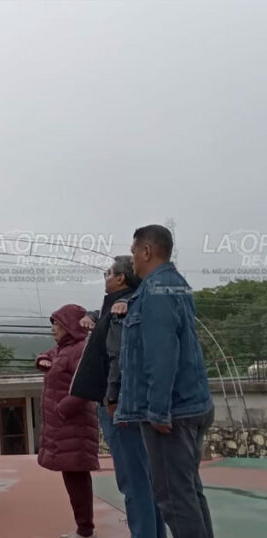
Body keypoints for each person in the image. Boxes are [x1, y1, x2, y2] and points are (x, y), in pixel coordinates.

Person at [116, 225, 215, 538]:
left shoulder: (157, 290)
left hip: (173, 411)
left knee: (173, 497)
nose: (132, 260)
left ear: (146, 251)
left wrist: (158, 410)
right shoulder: (173, 285)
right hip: (190, 404)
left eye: (133, 252)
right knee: (187, 492)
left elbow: (162, 352)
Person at [71, 256, 166, 538]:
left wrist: (112, 398)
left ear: (120, 278)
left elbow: (118, 356)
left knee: (134, 480)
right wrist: (93, 314)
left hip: (120, 405)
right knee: (143, 479)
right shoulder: (122, 304)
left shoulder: (122, 308)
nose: (105, 277)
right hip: (126, 402)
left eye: (107, 273)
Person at [35, 304, 100, 538]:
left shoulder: (80, 349)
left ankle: (85, 529)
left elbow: (86, 387)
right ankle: (83, 527)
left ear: (70, 326)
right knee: (73, 477)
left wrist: (62, 409)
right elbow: (50, 354)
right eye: (53, 323)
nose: (53, 328)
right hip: (66, 426)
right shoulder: (64, 348)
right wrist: (43, 358)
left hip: (74, 424)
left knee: (77, 478)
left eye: (58, 324)